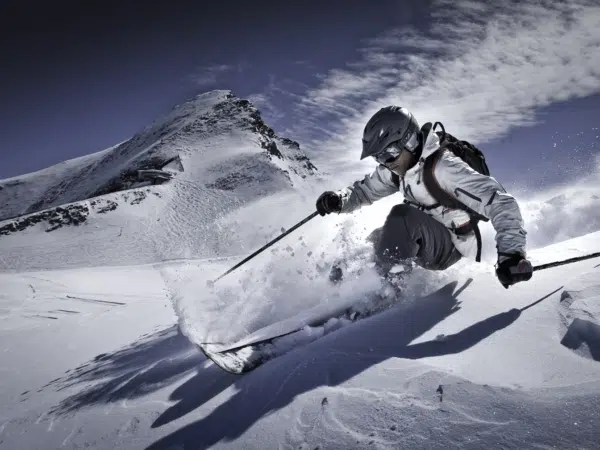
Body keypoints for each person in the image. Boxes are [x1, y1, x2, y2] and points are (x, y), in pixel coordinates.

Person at [315, 106, 533, 289]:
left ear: (408, 141)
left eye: (388, 153)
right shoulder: (395, 168)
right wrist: (340, 200)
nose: (385, 162)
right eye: (378, 157)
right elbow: (364, 191)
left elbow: (501, 201)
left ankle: (384, 295)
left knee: (402, 218)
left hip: (451, 245)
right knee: (372, 242)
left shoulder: (444, 168)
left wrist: (511, 254)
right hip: (425, 237)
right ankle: (335, 295)